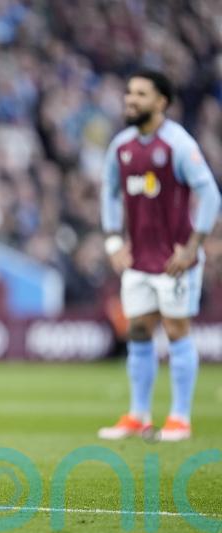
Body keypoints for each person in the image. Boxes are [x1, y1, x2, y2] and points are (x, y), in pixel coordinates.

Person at [98, 70, 221, 442]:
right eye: (128, 93)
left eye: (139, 94)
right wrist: (113, 243)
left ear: (161, 102)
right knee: (137, 329)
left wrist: (193, 247)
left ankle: (180, 417)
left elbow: (211, 195)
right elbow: (109, 192)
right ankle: (138, 415)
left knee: (176, 330)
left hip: (173, 261)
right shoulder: (121, 145)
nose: (130, 100)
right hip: (137, 259)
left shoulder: (178, 145)